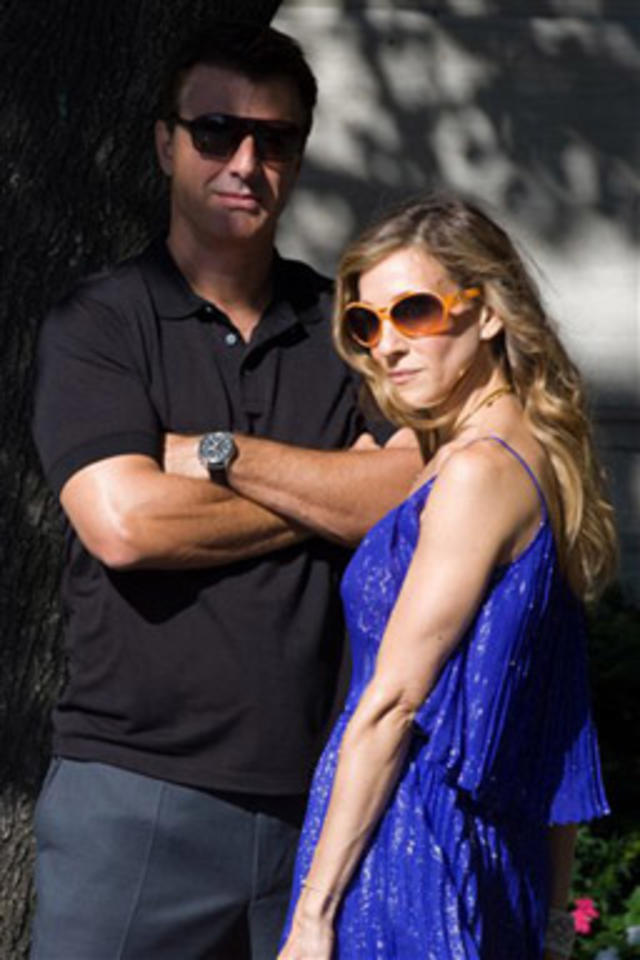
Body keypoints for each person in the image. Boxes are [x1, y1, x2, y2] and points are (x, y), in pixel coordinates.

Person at [30, 23, 419, 960]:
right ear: (166, 142)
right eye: (215, 131)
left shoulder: (351, 328)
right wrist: (325, 489)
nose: (245, 161)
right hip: (134, 799)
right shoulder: (100, 322)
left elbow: (410, 487)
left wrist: (213, 455)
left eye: (274, 139)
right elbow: (124, 525)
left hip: (323, 804)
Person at [277, 194, 617, 960]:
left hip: (406, 854)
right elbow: (560, 725)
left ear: (488, 311)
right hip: (494, 866)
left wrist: (312, 918)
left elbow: (392, 703)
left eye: (416, 311)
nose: (387, 345)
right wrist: (556, 919)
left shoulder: (474, 473)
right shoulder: (541, 457)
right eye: (368, 323)